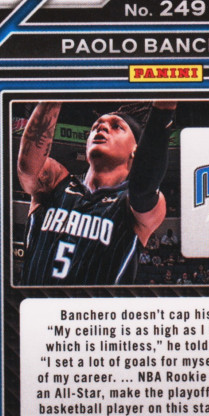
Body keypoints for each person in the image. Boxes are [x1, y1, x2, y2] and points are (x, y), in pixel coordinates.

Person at [18, 100, 176, 285]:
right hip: (33, 302)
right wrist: (53, 94)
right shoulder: (55, 182)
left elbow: (143, 188)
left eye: (117, 126)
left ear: (136, 151)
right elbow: (27, 167)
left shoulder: (129, 205)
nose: (102, 127)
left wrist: (163, 112)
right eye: (95, 126)